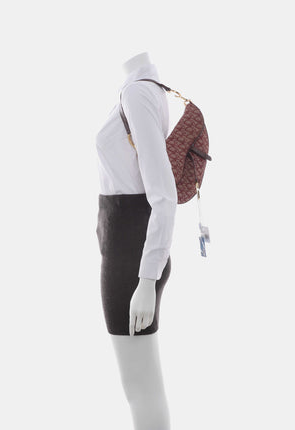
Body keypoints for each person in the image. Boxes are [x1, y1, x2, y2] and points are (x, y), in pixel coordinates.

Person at [95, 51, 177, 430]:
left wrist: (146, 279)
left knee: (141, 389)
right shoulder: (144, 88)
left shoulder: (137, 94)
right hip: (126, 247)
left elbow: (164, 194)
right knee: (141, 387)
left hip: (131, 255)